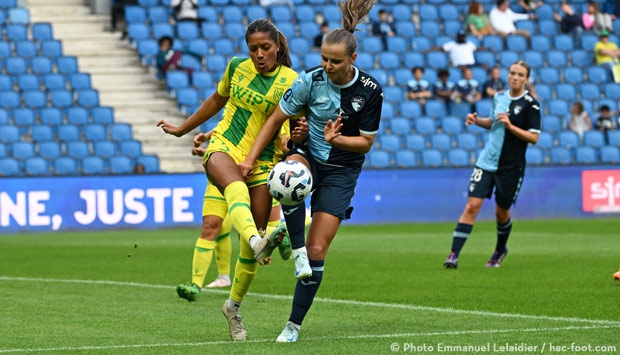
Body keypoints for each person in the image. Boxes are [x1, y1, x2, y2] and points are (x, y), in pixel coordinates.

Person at [239, 0, 383, 343]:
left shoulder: (371, 91)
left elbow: (365, 144)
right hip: (310, 157)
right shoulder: (310, 80)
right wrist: (250, 159)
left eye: (335, 61)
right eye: (324, 59)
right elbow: (275, 119)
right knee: (286, 176)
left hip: (342, 170)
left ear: (353, 60)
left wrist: (339, 138)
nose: (328, 66)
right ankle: (297, 252)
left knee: (320, 251)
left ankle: (293, 325)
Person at [157, 18, 301, 341]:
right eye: (253, 49)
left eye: (265, 48)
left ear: (277, 45)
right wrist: (183, 129)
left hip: (263, 163)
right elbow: (216, 100)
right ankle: (256, 240)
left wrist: (289, 143)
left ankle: (232, 308)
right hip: (225, 145)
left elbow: (291, 129)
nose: (259, 54)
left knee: (249, 255)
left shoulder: (291, 80)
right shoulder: (236, 67)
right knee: (234, 190)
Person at [176, 128, 296, 300]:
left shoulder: (276, 109)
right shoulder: (237, 107)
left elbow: (283, 143)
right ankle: (196, 284)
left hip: (256, 175)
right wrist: (207, 140)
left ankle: (279, 237)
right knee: (211, 227)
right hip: (224, 172)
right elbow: (226, 123)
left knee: (251, 233)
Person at [443, 60, 541, 269]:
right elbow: (494, 122)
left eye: (520, 74)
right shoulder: (499, 97)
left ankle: (499, 250)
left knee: (501, 212)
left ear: (526, 79)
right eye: (512, 72)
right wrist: (477, 120)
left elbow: (533, 138)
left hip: (511, 167)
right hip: (487, 162)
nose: (515, 77)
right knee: (472, 206)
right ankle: (453, 254)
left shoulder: (531, 104)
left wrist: (511, 126)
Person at [423, 29, 492, 70]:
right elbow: (440, 48)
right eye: (460, 36)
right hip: (459, 65)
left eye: (463, 36)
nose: (461, 38)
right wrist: (428, 50)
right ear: (458, 37)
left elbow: (477, 48)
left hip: (471, 64)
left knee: (485, 66)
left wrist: (488, 48)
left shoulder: (469, 44)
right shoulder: (452, 44)